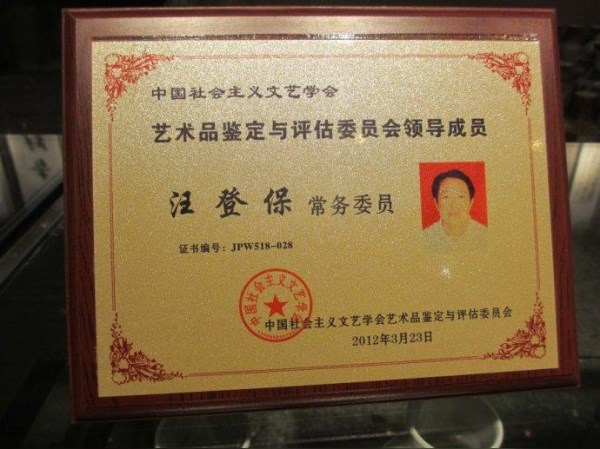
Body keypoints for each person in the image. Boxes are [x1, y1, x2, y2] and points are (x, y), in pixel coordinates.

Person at [423, 169, 486, 250]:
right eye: (446, 197)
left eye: (461, 197)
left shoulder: (485, 236)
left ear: (471, 202)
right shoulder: (425, 238)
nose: (454, 205)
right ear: (436, 203)